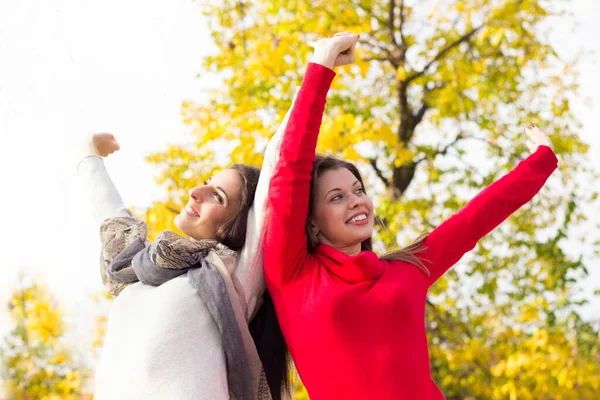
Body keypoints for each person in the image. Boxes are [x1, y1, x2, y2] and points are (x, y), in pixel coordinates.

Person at [263, 32, 559, 399]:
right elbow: (290, 172)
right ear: (310, 221)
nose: (356, 201)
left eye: (358, 190)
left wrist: (540, 163)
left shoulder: (408, 268)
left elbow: (475, 219)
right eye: (337, 197)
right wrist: (321, 67)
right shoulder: (294, 276)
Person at [78, 95, 299, 400]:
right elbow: (112, 215)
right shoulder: (136, 269)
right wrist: (89, 156)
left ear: (240, 225)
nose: (196, 192)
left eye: (217, 196)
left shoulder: (233, 276)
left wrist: (321, 66)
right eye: (207, 182)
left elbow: (279, 162)